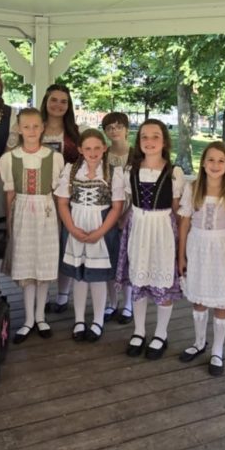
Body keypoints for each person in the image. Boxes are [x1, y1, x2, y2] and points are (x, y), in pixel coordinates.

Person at [115, 119, 185, 360]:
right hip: (139, 229)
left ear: (164, 141)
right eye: (144, 137)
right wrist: (121, 221)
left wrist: (181, 246)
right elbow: (125, 203)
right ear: (138, 141)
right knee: (139, 282)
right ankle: (139, 331)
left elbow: (177, 209)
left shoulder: (173, 172)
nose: (150, 141)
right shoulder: (129, 171)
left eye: (155, 136)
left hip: (163, 229)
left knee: (162, 283)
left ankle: (161, 334)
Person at [176, 141, 225, 376]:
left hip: (221, 249)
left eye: (221, 161)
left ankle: (217, 349)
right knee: (199, 298)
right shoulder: (193, 188)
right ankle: (199, 342)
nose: (215, 165)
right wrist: (181, 254)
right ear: (203, 163)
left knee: (220, 301)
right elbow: (184, 222)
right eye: (211, 160)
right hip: (197, 247)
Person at [1, 108, 64, 344]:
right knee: (27, 265)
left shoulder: (54, 157)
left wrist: (58, 223)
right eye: (26, 126)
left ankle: (40, 316)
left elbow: (58, 194)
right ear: (18, 128)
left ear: (43, 127)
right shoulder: (9, 158)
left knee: (43, 264)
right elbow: (8, 194)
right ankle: (28, 318)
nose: (31, 131)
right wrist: (9, 224)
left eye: (36, 126)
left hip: (46, 212)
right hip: (22, 213)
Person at [55, 128, 123, 343]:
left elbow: (116, 207)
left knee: (98, 277)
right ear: (80, 150)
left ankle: (98, 321)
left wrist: (100, 232)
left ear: (104, 148)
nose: (92, 152)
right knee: (79, 276)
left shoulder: (114, 172)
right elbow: (63, 203)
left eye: (97, 148)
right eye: (88, 148)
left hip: (101, 226)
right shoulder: (71, 170)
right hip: (76, 224)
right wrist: (72, 229)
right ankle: (79, 320)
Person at [40, 84, 83, 313]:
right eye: (53, 100)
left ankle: (63, 295)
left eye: (63, 101)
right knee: (46, 245)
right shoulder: (35, 129)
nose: (58, 105)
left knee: (66, 244)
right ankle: (43, 294)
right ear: (45, 102)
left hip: (69, 198)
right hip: (41, 196)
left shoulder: (77, 132)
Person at [101, 112, 133, 324]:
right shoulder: (102, 154)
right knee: (108, 259)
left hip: (131, 212)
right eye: (109, 127)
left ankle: (128, 304)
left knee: (128, 259)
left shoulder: (136, 155)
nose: (114, 130)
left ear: (126, 129)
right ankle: (112, 302)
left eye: (118, 126)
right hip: (105, 212)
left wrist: (127, 215)